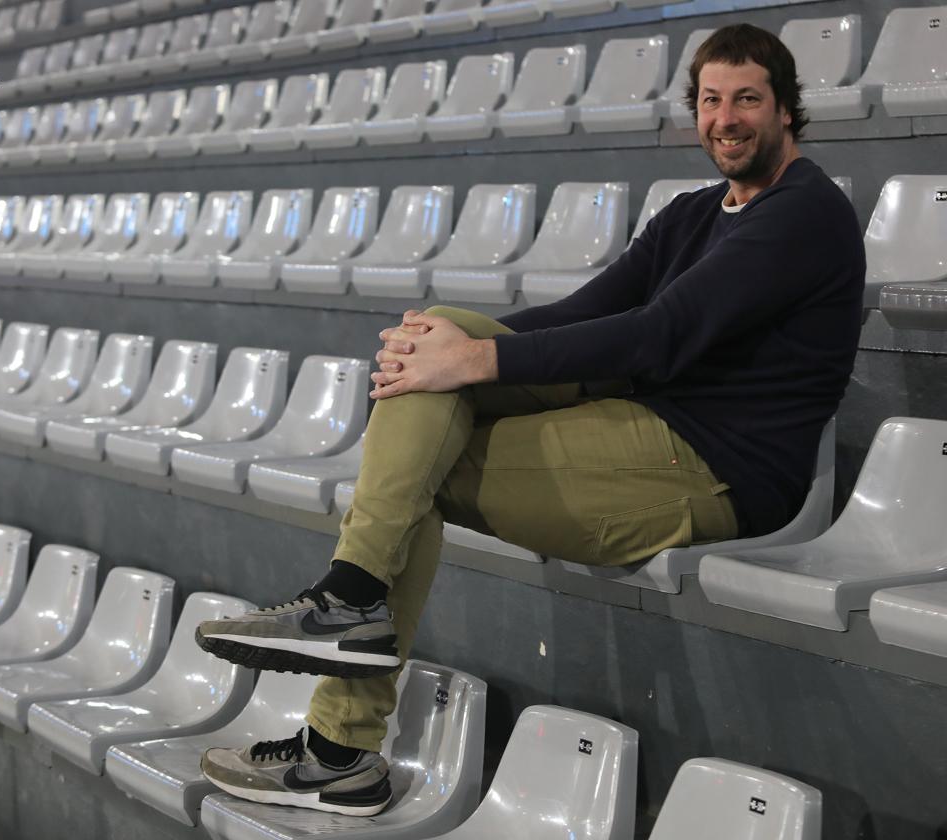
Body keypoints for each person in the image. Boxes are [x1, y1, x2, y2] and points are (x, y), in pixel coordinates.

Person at [193, 22, 865, 816]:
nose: (726, 118)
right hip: (635, 419)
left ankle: (341, 717)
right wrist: (449, 344)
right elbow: (586, 311)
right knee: (437, 333)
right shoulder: (692, 214)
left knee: (417, 471)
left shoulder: (806, 213)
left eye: (747, 99)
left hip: (717, 467)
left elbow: (661, 335)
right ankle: (348, 622)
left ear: (786, 110)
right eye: (712, 100)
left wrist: (476, 363)